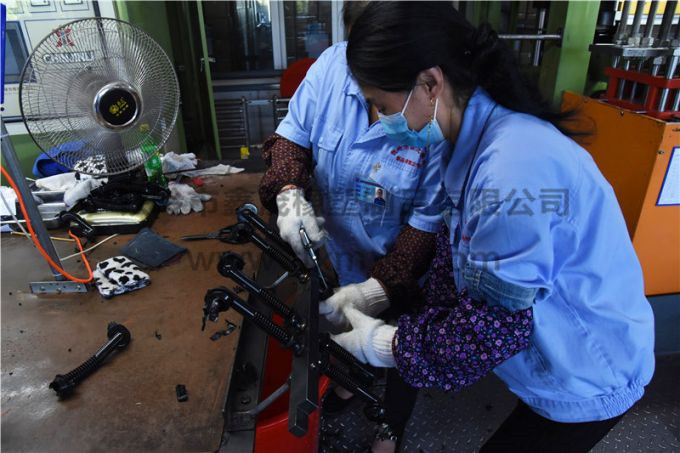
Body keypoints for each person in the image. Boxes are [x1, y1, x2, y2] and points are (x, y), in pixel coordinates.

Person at [329, 2, 656, 452]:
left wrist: (388, 345)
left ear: (430, 83)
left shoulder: (511, 169)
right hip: (551, 357)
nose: (381, 120)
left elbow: (493, 330)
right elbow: (455, 261)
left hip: (589, 367)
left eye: (382, 106)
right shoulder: (466, 143)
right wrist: (379, 294)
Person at [258, 2, 447, 451]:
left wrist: (382, 288)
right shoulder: (330, 68)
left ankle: (391, 425)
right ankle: (348, 382)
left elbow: (428, 221)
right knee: (345, 328)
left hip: (403, 255)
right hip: (340, 246)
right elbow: (292, 136)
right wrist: (289, 195)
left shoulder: (435, 111)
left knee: (401, 342)